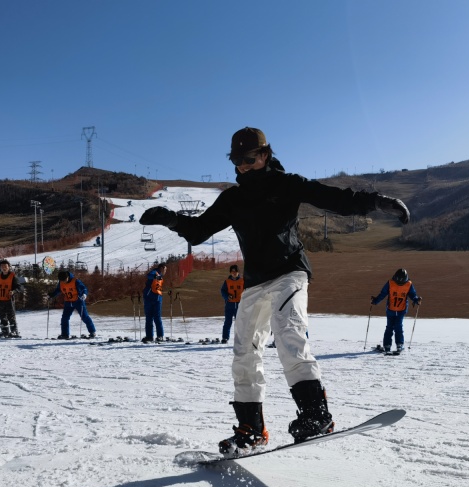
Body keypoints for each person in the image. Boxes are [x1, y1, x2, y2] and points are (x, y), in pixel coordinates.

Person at [140, 126, 410, 455]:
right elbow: (198, 232)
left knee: (288, 333)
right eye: (236, 160)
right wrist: (170, 219)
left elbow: (334, 198)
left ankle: (316, 416)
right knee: (244, 353)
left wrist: (377, 202)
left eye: (249, 159)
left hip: (289, 272)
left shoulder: (287, 185)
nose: (242, 166)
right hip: (255, 281)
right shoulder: (233, 199)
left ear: (265, 155)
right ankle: (251, 431)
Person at [370, 268, 421, 354]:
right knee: (394, 327)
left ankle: (393, 345)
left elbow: (412, 295)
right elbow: (383, 293)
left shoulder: (403, 284)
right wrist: (375, 301)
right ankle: (393, 345)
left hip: (398, 310)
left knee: (394, 327)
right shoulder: (395, 283)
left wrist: (416, 300)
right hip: (392, 309)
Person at [48, 270, 97, 339]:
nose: (63, 282)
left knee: (84, 317)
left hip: (78, 301)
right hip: (68, 302)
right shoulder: (61, 282)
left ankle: (92, 332)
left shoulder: (75, 281)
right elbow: (58, 290)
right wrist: (52, 295)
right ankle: (65, 334)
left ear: (68, 277)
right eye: (62, 280)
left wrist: (84, 294)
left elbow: (84, 288)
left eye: (64, 280)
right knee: (64, 318)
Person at [0, 258, 23, 338]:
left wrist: (13, 291)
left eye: (5, 266)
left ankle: (14, 331)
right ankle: (5, 332)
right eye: (2, 266)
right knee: (2, 316)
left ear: (9, 267)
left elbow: (19, 287)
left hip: (9, 299)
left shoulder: (13, 276)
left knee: (11, 316)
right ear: (0, 267)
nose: (4, 267)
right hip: (1, 299)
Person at [141, 262, 166, 343]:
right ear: (161, 268)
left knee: (157, 318)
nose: (165, 271)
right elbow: (149, 275)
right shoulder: (154, 272)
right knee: (149, 318)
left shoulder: (161, 276)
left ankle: (160, 336)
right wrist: (156, 276)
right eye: (165, 269)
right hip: (149, 298)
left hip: (158, 298)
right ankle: (149, 336)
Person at [220, 264, 244, 343]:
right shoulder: (227, 281)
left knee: (240, 323)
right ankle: (225, 338)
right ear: (230, 272)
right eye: (232, 271)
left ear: (238, 272)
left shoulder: (242, 281)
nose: (234, 273)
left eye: (235, 271)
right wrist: (227, 297)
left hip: (239, 304)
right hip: (229, 305)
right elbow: (223, 291)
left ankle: (240, 338)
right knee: (228, 322)